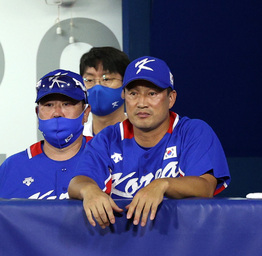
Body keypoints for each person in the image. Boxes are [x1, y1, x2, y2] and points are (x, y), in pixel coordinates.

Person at [69, 56, 230, 228]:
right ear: (123, 96)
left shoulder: (192, 131)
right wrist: (89, 190)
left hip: (182, 241)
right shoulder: (108, 138)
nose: (141, 103)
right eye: (133, 94)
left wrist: (162, 184)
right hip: (119, 243)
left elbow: (206, 187)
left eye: (152, 93)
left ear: (171, 98)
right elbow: (76, 183)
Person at [0, 69, 91, 199]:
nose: (57, 113)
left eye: (66, 104)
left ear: (86, 113)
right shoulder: (12, 167)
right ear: (37, 113)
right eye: (49, 105)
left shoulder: (105, 157)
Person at [80, 46, 130, 135]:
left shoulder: (142, 137)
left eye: (106, 79)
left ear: (125, 84)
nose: (97, 88)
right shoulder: (75, 141)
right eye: (90, 80)